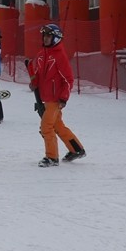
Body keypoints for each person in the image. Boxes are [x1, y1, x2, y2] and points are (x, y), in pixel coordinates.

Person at [28, 23, 85, 167]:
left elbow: (68, 79)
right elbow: (39, 75)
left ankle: (52, 157)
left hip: (55, 99)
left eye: (49, 36)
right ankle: (76, 149)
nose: (46, 38)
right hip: (45, 98)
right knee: (58, 126)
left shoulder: (59, 56)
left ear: (56, 38)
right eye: (44, 35)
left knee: (46, 126)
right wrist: (34, 82)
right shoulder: (42, 54)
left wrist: (63, 98)